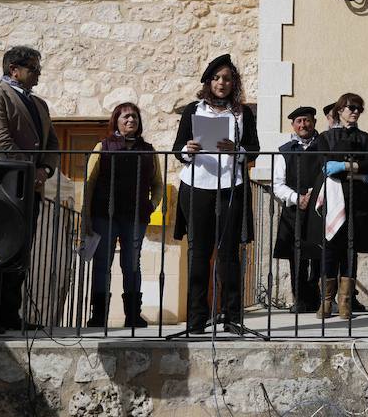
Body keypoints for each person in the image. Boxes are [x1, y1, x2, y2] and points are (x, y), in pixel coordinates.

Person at [0, 45, 59, 333]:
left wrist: (44, 170)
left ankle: (9, 314)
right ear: (14, 70)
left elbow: (53, 144)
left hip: (29, 190)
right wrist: (29, 170)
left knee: (19, 253)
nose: (39, 74)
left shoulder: (40, 104)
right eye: (34, 68)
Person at [172, 54, 260, 333]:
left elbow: (254, 148)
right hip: (197, 185)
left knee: (228, 254)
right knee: (199, 252)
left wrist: (238, 150)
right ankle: (197, 320)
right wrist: (189, 149)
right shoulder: (193, 110)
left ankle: (231, 316)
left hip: (230, 186)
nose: (222, 83)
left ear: (234, 83)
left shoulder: (242, 113)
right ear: (209, 82)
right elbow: (177, 149)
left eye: (227, 78)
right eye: (217, 78)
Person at [83, 102, 163, 328]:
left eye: (135, 117)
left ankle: (133, 315)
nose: (131, 121)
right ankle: (99, 316)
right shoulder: (103, 146)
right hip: (104, 215)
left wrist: (151, 205)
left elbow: (157, 184)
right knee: (101, 264)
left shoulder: (149, 150)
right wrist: (86, 217)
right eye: (126, 117)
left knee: (132, 264)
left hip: (136, 216)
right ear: (116, 121)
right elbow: (89, 184)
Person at [306, 92, 368, 320]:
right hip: (333, 200)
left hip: (357, 201)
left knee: (350, 250)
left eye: (358, 108)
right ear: (339, 111)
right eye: (350, 107)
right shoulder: (326, 137)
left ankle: (345, 303)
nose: (354, 111)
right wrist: (357, 169)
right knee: (329, 250)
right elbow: (324, 163)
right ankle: (326, 302)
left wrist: (346, 166)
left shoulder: (365, 138)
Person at [272, 106, 323, 313]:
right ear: (293, 125)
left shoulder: (324, 146)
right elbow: (278, 184)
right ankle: (300, 300)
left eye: (307, 120)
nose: (303, 125)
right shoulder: (285, 150)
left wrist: (315, 195)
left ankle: (321, 300)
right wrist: (297, 198)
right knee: (297, 254)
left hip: (320, 207)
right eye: (299, 121)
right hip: (294, 210)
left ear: (314, 122)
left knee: (320, 253)